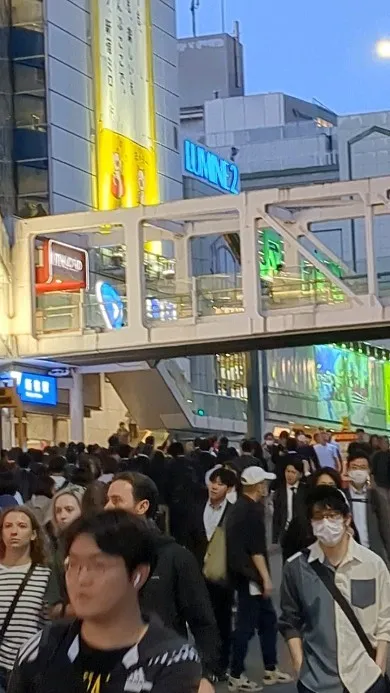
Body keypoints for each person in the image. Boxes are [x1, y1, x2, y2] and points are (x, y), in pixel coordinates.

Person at [8, 510, 202, 693]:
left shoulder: (171, 660)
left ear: (137, 575)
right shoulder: (40, 649)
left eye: (98, 566)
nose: (81, 579)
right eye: (73, 565)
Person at [105, 472, 220, 685]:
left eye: (116, 501)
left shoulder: (174, 557)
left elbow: (202, 622)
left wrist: (204, 676)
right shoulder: (102, 557)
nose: (107, 508)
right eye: (107, 500)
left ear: (142, 506)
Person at [279, 486, 390, 693]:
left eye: (332, 516)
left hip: (366, 679)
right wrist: (299, 664)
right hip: (316, 682)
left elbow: (385, 619)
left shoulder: (373, 564)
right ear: (311, 524)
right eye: (318, 517)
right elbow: (289, 620)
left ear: (347, 519)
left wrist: (379, 667)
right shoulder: (295, 568)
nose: (325, 523)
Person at [226, 466, 292, 691]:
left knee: (267, 621)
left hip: (241, 574)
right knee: (246, 625)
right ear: (256, 485)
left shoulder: (238, 507)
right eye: (264, 482)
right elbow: (255, 550)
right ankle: (236, 673)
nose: (266, 486)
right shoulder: (252, 511)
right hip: (251, 577)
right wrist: (266, 579)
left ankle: (271, 667)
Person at [0, 507, 50, 691]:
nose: (14, 531)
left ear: (33, 534)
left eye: (21, 526)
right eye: (7, 526)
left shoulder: (45, 575)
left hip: (30, 668)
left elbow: (48, 624)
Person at [198, 467, 236, 678]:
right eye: (213, 481)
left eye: (220, 483)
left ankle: (220, 665)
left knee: (221, 620)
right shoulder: (196, 507)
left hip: (222, 576)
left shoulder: (232, 511)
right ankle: (204, 662)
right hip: (197, 572)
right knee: (200, 619)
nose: (214, 486)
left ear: (228, 488)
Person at [282, 467, 344, 560]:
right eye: (322, 485)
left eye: (332, 486)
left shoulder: (344, 519)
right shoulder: (299, 523)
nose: (326, 490)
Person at [344, 452, 390, 565]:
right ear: (348, 470)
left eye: (363, 467)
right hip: (347, 555)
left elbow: (386, 528)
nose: (358, 471)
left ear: (369, 471)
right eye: (354, 467)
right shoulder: (341, 496)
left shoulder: (377, 496)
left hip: (374, 554)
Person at [45, 486, 84, 618]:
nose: (63, 516)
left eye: (69, 510)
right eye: (58, 511)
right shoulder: (54, 551)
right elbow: (52, 607)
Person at [272, 458, 307, 562]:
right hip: (286, 532)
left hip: (303, 533)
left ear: (300, 475)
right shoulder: (279, 491)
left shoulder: (306, 490)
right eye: (287, 471)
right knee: (287, 562)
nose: (289, 475)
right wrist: (275, 537)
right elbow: (277, 515)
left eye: (293, 472)